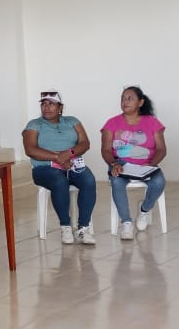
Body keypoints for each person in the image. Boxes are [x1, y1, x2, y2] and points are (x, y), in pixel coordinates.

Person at [22, 89, 97, 244]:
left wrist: (69, 153)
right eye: (44, 104)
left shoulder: (72, 121)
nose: (46, 107)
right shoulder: (34, 124)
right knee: (59, 181)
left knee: (88, 180)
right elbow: (30, 150)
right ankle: (65, 227)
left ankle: (83, 228)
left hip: (72, 164)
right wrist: (58, 157)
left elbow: (85, 143)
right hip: (44, 168)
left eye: (51, 104)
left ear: (60, 107)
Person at [100, 86, 167, 240]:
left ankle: (144, 210)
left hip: (146, 164)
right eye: (123, 98)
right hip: (121, 163)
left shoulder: (152, 122)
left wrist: (152, 164)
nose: (125, 101)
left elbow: (161, 149)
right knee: (117, 181)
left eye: (130, 98)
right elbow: (106, 150)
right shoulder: (112, 123)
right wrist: (114, 164)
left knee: (159, 182)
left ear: (140, 102)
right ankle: (126, 222)